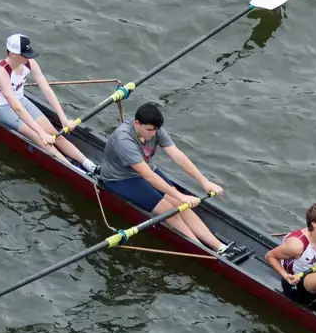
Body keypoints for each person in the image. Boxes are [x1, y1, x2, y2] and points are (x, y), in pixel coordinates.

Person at [99, 102, 237, 256]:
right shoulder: (124, 140)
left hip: (145, 171)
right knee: (170, 209)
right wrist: (179, 195)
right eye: (149, 130)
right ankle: (202, 250)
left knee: (180, 204)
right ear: (137, 123)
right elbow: (148, 176)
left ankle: (219, 247)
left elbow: (177, 156)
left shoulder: (155, 129)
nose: (153, 134)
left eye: (155, 130)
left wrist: (204, 181)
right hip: (120, 179)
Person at [0, 33, 98, 175]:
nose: (28, 57)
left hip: (21, 101)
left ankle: (90, 165)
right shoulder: (0, 71)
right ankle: (76, 171)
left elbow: (47, 90)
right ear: (13, 54)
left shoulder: (29, 62)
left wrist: (63, 119)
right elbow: (15, 106)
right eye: (25, 54)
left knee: (55, 134)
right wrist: (40, 132)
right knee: (42, 139)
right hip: (1, 107)